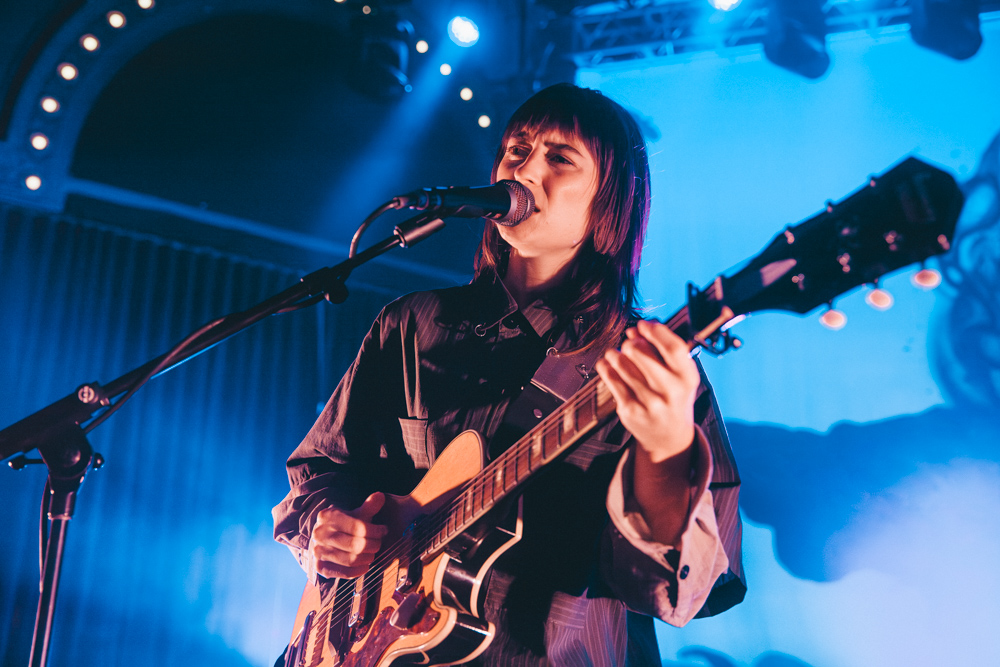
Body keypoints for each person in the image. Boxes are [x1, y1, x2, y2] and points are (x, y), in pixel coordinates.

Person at [272, 83, 745, 666]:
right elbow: (322, 466)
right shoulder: (413, 325)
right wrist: (328, 522)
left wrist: (669, 450)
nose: (525, 167)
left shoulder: (648, 366)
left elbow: (683, 591)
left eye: (560, 158)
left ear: (609, 205)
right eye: (517, 149)